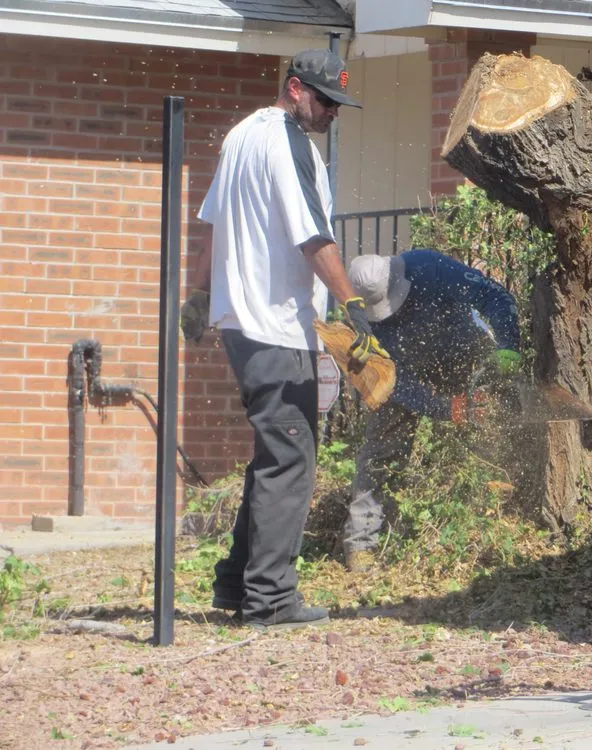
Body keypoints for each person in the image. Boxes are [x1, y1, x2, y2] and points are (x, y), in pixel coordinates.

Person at [181, 49, 389, 631]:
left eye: (338, 104)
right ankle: (271, 599)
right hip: (275, 327)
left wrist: (198, 295)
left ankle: (235, 582)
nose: (331, 115)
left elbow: (214, 225)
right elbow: (313, 237)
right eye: (325, 101)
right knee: (292, 458)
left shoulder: (241, 134)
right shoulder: (288, 144)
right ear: (295, 89)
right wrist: (350, 304)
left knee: (276, 454)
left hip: (241, 326)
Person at [342, 249, 522, 573]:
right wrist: (443, 408)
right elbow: (391, 382)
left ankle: (499, 522)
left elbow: (494, 296)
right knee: (379, 453)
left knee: (500, 417)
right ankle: (363, 544)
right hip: (404, 375)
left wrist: (508, 347)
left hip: (465, 352)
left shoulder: (430, 267)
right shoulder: (359, 323)